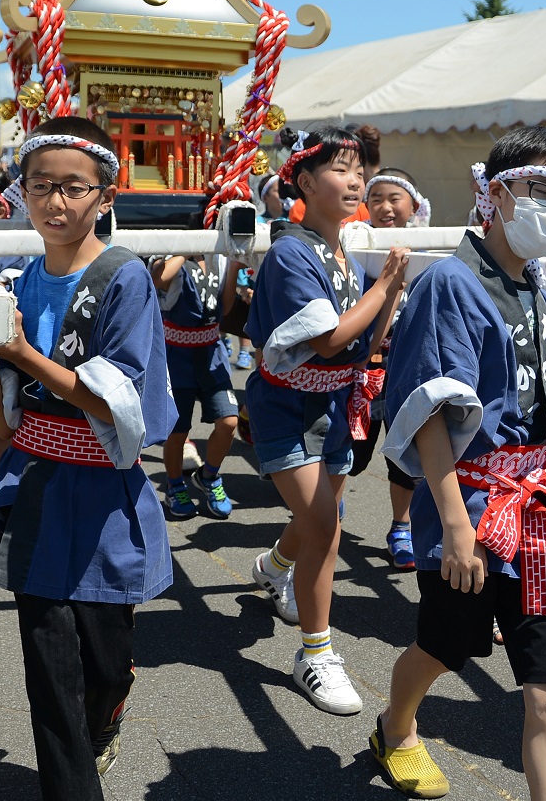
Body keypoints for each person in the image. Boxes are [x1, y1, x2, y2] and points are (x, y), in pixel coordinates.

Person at [371, 126, 546, 801]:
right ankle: (397, 725)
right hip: (468, 505)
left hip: (539, 511)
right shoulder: (451, 281)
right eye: (543, 191)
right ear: (497, 192)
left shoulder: (534, 285)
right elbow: (432, 412)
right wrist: (455, 528)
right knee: (445, 644)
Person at [0, 116, 174, 800]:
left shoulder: (124, 279)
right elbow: (2, 419)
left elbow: (121, 408)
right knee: (50, 671)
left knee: (105, 666)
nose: (56, 202)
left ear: (105, 197)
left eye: (74, 188)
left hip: (104, 492)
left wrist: (22, 354)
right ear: (22, 193)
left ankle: (104, 720)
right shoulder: (17, 282)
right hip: (36, 486)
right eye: (41, 187)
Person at [244, 125, 408, 715]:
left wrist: (387, 295)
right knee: (325, 524)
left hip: (335, 403)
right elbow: (333, 336)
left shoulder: (343, 248)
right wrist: (386, 282)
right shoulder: (293, 250)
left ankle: (274, 566)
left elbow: (367, 341)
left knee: (320, 520)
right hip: (286, 404)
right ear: (305, 182)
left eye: (359, 171)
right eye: (341, 170)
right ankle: (315, 653)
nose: (356, 180)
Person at [349, 168, 430, 570]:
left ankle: (402, 527)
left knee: (404, 455)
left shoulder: (434, 248)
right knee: (351, 452)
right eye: (375, 197)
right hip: (361, 370)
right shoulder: (354, 244)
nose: (384, 206)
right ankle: (326, 510)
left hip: (407, 372)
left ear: (413, 205)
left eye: (393, 198)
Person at [150, 251, 237, 520]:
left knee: (229, 422)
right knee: (178, 431)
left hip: (211, 352)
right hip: (177, 357)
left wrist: (233, 266)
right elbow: (157, 279)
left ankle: (209, 475)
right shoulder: (171, 256)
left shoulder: (218, 258)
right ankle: (175, 485)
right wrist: (185, 247)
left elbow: (225, 307)